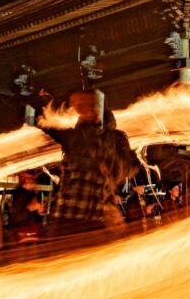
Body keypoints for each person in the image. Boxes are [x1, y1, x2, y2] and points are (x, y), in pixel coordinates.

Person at [39, 90, 141, 237]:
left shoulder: (80, 138)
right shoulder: (106, 146)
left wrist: (44, 101)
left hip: (68, 218)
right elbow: (133, 166)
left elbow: (46, 125)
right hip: (79, 221)